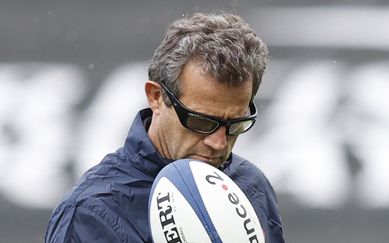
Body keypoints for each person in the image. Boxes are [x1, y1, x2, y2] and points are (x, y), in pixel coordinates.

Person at [45, 12, 285, 242]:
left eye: (235, 123)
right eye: (201, 121)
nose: (219, 142)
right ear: (156, 97)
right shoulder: (91, 214)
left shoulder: (251, 186)